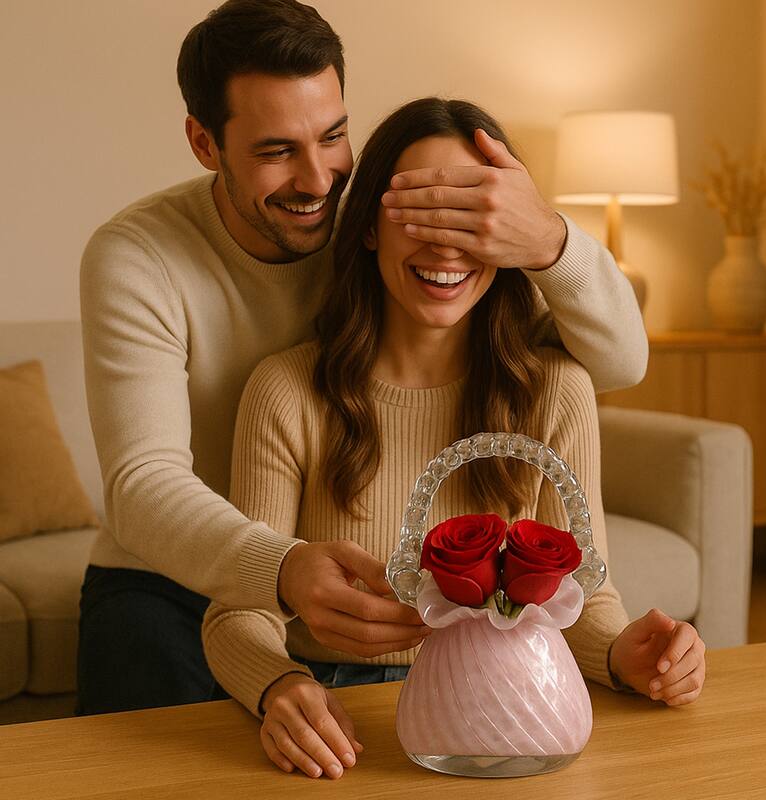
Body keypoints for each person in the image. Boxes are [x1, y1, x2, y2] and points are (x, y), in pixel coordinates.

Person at [77, 0, 649, 715]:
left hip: (313, 580)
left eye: (333, 136)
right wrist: (284, 572)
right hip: (169, 575)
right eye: (276, 150)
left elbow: (616, 364)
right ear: (203, 142)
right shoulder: (137, 256)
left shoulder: (392, 218)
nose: (318, 180)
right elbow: (142, 482)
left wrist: (549, 242)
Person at [202, 98, 706, 781]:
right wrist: (279, 687)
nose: (445, 244)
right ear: (371, 227)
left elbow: (586, 596)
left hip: (506, 714)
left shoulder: (556, 389)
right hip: (340, 724)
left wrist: (628, 655)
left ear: (510, 234)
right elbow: (240, 612)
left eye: (470, 216)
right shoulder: (287, 391)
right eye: (418, 212)